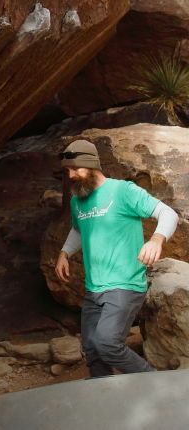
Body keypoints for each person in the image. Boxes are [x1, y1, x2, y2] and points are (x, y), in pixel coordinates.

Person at [55, 139, 179, 376]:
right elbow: (79, 229)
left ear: (92, 166)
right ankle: (105, 403)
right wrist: (64, 253)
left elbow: (167, 213)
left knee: (107, 344)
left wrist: (156, 239)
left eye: (76, 168)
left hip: (124, 284)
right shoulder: (77, 200)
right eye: (67, 170)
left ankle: (157, 384)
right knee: (92, 349)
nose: (71, 175)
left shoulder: (123, 191)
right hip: (94, 288)